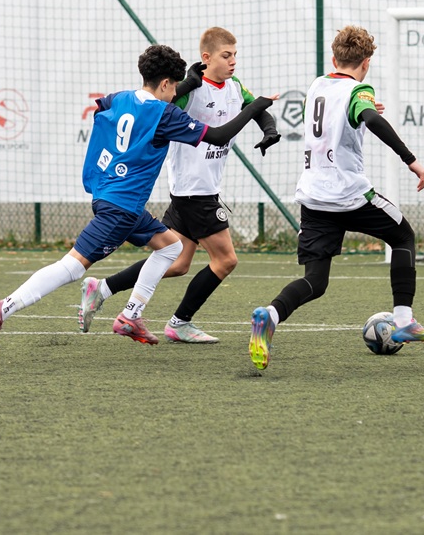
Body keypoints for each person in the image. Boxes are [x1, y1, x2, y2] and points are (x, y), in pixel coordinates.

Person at [0, 44, 274, 355]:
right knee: (73, 267)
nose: (177, 94)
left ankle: (131, 315)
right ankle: (3, 307)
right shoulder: (164, 115)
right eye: (174, 87)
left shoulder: (119, 98)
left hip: (113, 197)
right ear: (165, 83)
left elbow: (102, 110)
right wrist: (255, 107)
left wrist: (185, 84)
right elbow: (218, 136)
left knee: (171, 247)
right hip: (122, 208)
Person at [248, 25, 424, 370]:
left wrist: (363, 108)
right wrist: (410, 160)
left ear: (333, 58)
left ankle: (271, 315)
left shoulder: (316, 86)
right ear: (366, 63)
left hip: (313, 196)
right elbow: (369, 119)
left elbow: (336, 114)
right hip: (349, 195)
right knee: (403, 236)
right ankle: (403, 321)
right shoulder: (360, 89)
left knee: (315, 280)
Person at [77, 27, 281, 343]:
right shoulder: (189, 91)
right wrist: (188, 81)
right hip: (195, 191)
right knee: (226, 260)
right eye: (226, 56)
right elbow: (168, 100)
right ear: (206, 57)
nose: (233, 61)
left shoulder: (235, 86)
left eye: (235, 55)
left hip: (196, 190)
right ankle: (179, 322)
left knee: (178, 263)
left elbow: (258, 109)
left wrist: (269, 130)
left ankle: (102, 288)